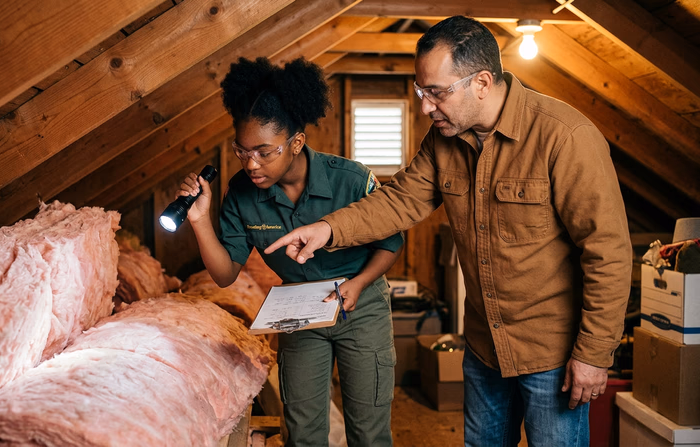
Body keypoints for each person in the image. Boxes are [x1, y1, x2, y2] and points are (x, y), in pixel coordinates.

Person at [265, 16, 632, 447]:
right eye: (422, 92)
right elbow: (399, 199)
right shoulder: (444, 138)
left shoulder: (564, 137)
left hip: (550, 353)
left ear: (481, 82)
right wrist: (328, 229)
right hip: (482, 346)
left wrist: (593, 353)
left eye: (436, 93)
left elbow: (607, 252)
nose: (425, 107)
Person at [175, 56, 403, 447]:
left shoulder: (350, 179)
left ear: (296, 142)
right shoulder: (241, 194)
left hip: (359, 305)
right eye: (241, 151)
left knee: (368, 431)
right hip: (299, 309)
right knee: (302, 432)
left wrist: (361, 283)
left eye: (265, 152)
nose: (251, 163)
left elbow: (390, 242)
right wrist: (199, 220)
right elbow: (225, 273)